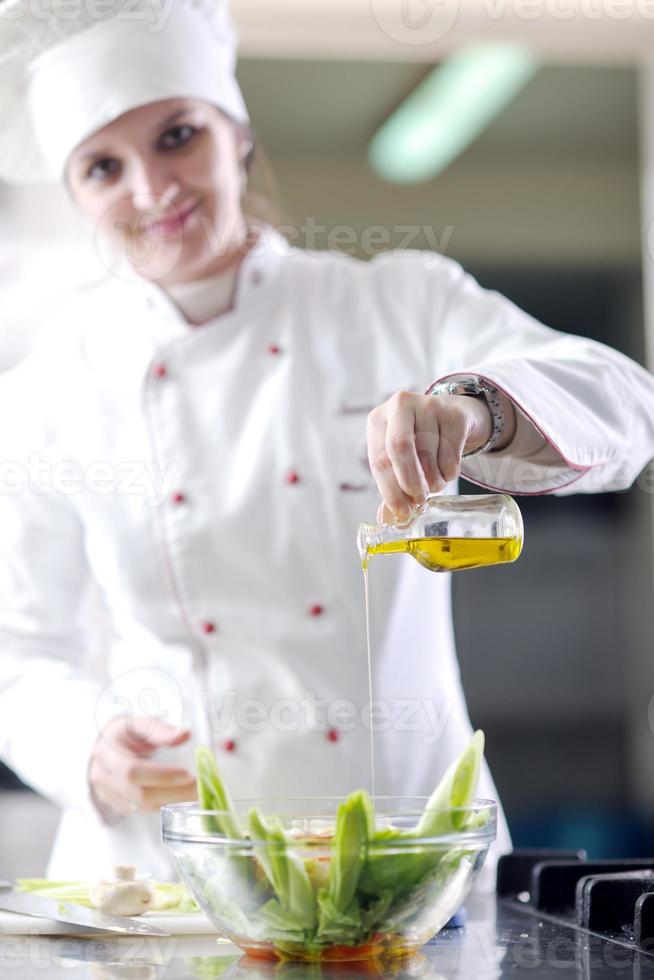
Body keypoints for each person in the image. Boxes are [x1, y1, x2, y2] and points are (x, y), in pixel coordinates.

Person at [1, 0, 653, 883]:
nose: (150, 190)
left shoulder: (397, 302)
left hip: (407, 856)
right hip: (171, 870)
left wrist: (475, 409)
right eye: (102, 167)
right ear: (75, 195)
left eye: (177, 136)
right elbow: (20, 652)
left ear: (238, 136)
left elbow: (629, 405)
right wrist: (88, 749)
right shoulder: (49, 390)